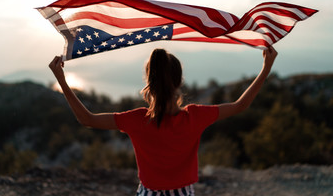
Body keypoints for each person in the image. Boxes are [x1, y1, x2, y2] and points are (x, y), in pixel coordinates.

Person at [49, 46, 277, 196]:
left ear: (150, 82)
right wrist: (266, 68)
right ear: (178, 82)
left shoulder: (137, 120)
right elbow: (240, 105)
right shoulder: (194, 116)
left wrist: (62, 80)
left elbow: (86, 119)